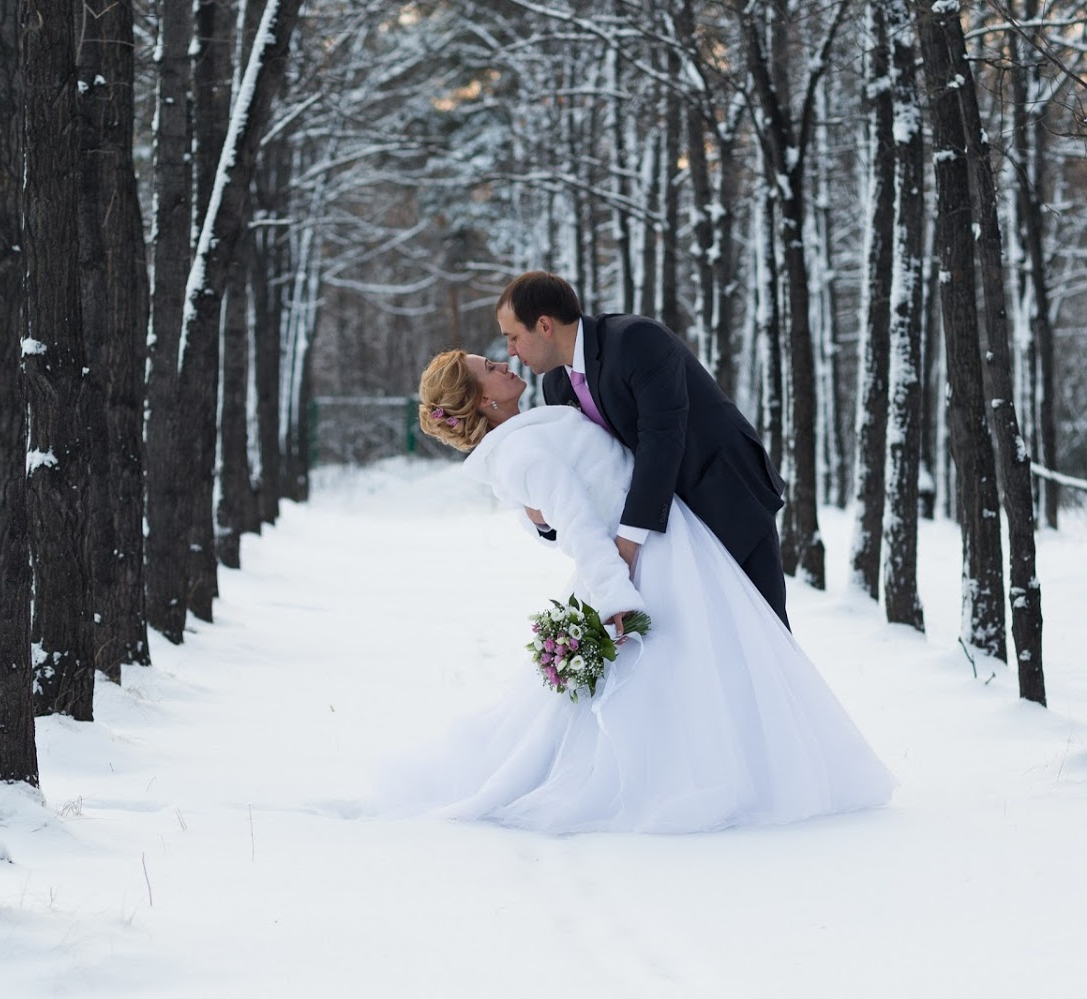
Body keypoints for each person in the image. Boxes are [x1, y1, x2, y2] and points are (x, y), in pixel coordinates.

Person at [382, 350, 892, 834]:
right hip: (639, 559)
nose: (504, 362)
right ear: (483, 402)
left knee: (710, 663)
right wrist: (615, 599)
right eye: (489, 367)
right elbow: (579, 527)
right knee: (683, 668)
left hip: (661, 536)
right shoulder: (521, 452)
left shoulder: (529, 431)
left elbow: (557, 512)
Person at [496, 271, 790, 628]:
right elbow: (590, 469)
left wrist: (628, 544)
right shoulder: (557, 385)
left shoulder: (635, 340)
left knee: (763, 632)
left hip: (725, 499)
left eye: (514, 337)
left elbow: (661, 439)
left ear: (544, 325)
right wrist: (545, 519)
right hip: (667, 534)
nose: (510, 351)